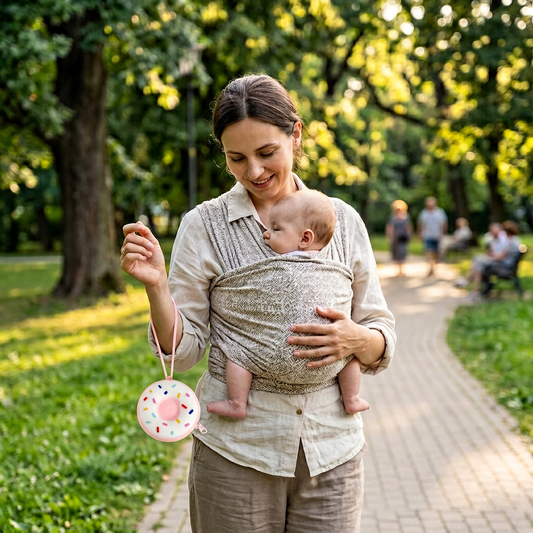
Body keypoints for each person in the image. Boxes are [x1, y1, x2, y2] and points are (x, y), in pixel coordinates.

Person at [120, 74, 396, 533]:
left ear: (296, 134)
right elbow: (182, 354)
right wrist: (156, 288)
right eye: (236, 158)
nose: (254, 172)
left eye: (267, 153)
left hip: (333, 451)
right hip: (237, 452)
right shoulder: (205, 225)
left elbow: (380, 336)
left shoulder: (342, 221)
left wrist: (356, 337)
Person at [205, 189, 370, 419]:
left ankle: (236, 403)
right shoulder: (328, 260)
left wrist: (358, 338)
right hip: (327, 363)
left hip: (263, 357)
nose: (265, 235)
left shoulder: (288, 263)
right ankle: (351, 398)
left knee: (238, 352)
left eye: (275, 229)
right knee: (349, 359)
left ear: (305, 238)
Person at [455, 221, 520, 300]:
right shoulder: (513, 240)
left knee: (479, 262)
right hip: (504, 263)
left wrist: (493, 257)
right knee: (478, 262)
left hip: (504, 265)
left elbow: (502, 256)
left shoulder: (512, 242)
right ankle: (474, 290)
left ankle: (470, 285)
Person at [417, 196, 448, 276]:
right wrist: (420, 234)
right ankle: (430, 268)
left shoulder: (440, 212)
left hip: (437, 236)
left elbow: (444, 224)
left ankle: (434, 266)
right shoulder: (424, 213)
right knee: (429, 251)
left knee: (436, 253)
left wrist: (443, 234)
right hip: (427, 235)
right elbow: (421, 224)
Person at [386, 199, 413, 277]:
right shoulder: (392, 217)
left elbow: (408, 226)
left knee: (403, 251)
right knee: (395, 252)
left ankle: (402, 269)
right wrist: (390, 236)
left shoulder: (406, 216)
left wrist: (410, 234)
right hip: (395, 237)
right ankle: (397, 269)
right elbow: (390, 227)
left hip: (403, 237)